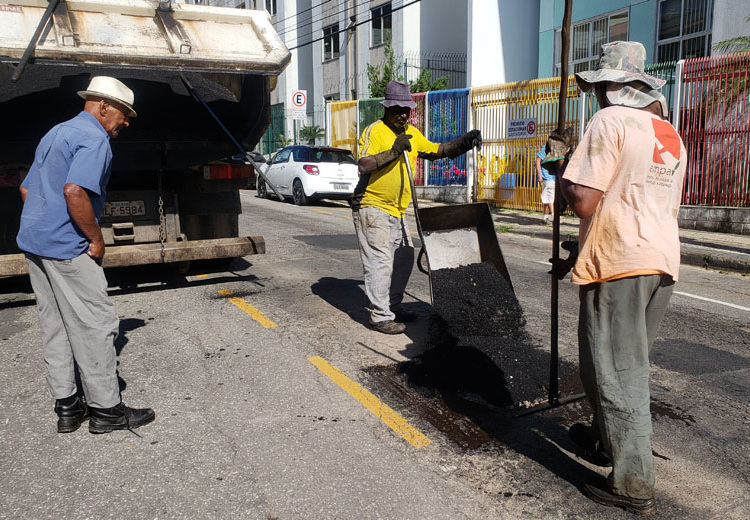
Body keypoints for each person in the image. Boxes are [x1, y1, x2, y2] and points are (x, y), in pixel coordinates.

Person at [544, 41, 686, 516]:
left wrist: (562, 168)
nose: (597, 97)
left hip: (621, 261)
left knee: (619, 373)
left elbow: (584, 199)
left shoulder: (609, 121)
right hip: (659, 260)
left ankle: (633, 483)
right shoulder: (667, 131)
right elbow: (635, 199)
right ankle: (607, 441)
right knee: (608, 364)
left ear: (612, 86)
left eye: (600, 87)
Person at [17, 76, 155, 434]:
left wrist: (44, 225)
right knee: (96, 325)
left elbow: (26, 188)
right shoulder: (95, 139)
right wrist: (95, 238)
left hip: (35, 242)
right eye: (123, 113)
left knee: (56, 324)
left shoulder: (57, 132)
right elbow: (74, 191)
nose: (125, 122)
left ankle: (67, 406)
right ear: (104, 106)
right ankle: (107, 410)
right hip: (67, 247)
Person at [352, 80, 481, 334]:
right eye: (397, 109)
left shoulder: (412, 133)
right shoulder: (374, 131)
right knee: (380, 261)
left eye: (406, 110)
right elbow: (364, 164)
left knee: (404, 258)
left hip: (397, 211)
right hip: (371, 205)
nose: (402, 114)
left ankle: (392, 304)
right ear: (386, 108)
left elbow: (437, 151)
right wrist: (393, 151)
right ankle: (379, 316)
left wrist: (465, 141)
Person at [535, 146, 555, 224]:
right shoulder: (546, 148)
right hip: (547, 177)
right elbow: (537, 161)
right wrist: (540, 176)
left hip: (553, 177)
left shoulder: (556, 148)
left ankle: (545, 217)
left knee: (547, 197)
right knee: (550, 197)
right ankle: (554, 217)